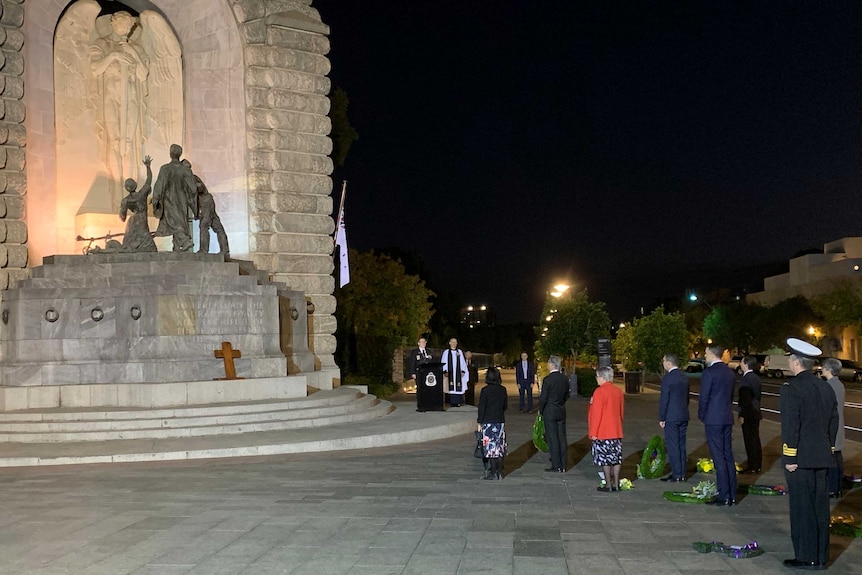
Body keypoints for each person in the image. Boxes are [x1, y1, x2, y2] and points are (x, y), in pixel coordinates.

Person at [780, 338, 838, 570]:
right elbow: (834, 422)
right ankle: (821, 556)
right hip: (822, 456)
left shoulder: (792, 388)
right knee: (820, 509)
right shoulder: (826, 387)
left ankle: (806, 556)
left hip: (801, 459)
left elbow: (791, 425)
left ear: (796, 362)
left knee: (802, 508)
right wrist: (829, 449)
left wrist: (790, 457)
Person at [88, 10, 148, 207]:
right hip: (111, 98)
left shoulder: (136, 48)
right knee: (115, 142)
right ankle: (116, 196)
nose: (125, 30)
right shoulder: (103, 44)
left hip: (130, 98)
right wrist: (113, 55)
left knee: (129, 143)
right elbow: (95, 68)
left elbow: (142, 74)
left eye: (129, 27)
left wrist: (132, 53)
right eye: (121, 25)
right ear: (113, 24)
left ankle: (130, 194)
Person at [698, 344, 737, 506]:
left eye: (706, 353)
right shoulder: (730, 373)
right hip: (726, 417)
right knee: (728, 455)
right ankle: (732, 493)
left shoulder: (709, 373)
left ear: (713, 354)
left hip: (713, 419)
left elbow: (704, 398)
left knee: (718, 457)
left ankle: (724, 495)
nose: (705, 356)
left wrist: (702, 415)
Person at [152, 144, 196, 251]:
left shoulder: (165, 169)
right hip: (182, 201)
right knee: (179, 221)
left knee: (174, 223)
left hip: (169, 200)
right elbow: (193, 188)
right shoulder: (185, 170)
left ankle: (185, 241)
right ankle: (176, 248)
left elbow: (159, 185)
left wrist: (155, 198)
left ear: (170, 154)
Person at [589, 366, 624, 492]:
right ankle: (616, 484)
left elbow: (596, 414)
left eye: (597, 377)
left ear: (602, 378)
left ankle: (608, 484)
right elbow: (621, 411)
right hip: (616, 429)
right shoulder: (618, 391)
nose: (596, 379)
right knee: (616, 458)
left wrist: (593, 432)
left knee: (605, 459)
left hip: (603, 431)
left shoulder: (599, 392)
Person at [658, 353, 689, 482]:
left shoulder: (667, 378)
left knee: (673, 446)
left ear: (669, 363)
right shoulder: (684, 377)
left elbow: (664, 399)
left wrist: (662, 417)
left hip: (671, 416)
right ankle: (682, 473)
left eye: (664, 361)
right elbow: (686, 397)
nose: (663, 363)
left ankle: (676, 474)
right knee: (681, 445)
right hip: (683, 415)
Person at [118, 155, 156, 252]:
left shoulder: (126, 200)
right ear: (135, 185)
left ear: (126, 188)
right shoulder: (142, 194)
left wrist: (122, 210)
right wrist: (148, 166)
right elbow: (149, 179)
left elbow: (122, 218)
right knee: (147, 242)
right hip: (142, 218)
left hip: (134, 221)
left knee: (131, 242)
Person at [477, 366, 508, 480]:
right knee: (499, 448)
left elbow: (482, 408)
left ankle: (492, 472)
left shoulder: (485, 390)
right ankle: (500, 472)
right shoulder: (502, 389)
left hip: (488, 422)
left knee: (491, 448)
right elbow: (505, 406)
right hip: (499, 421)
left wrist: (479, 422)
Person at [821, 358, 846, 499]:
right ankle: (837, 488)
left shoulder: (829, 386)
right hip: (838, 427)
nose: (822, 368)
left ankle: (832, 488)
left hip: (832, 427)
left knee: (831, 460)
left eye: (824, 367)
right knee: (837, 457)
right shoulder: (839, 384)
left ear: (829, 369)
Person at [539, 355, 569, 472]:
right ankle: (563, 464)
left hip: (550, 411)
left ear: (551, 365)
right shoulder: (564, 378)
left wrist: (541, 410)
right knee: (562, 437)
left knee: (552, 438)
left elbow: (543, 398)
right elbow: (567, 395)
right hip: (561, 410)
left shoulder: (548, 380)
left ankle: (556, 465)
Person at [737, 355, 763, 474]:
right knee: (755, 439)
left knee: (749, 440)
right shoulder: (756, 378)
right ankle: (757, 464)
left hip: (749, 413)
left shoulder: (746, 379)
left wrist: (742, 415)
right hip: (756, 411)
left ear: (746, 364)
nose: (740, 364)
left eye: (742, 362)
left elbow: (745, 399)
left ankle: (752, 464)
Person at [194, 172, 230, 256]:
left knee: (204, 225)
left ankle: (204, 249)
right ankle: (225, 249)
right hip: (206, 200)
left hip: (205, 200)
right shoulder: (190, 177)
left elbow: (199, 187)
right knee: (218, 227)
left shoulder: (192, 178)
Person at [440, 338, 469, 407]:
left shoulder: (459, 352)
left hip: (458, 373)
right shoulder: (446, 352)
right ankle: (451, 402)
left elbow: (462, 362)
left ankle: (458, 402)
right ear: (449, 343)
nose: (454, 343)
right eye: (452, 342)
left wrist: (463, 371)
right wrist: (445, 371)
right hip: (450, 373)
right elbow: (443, 362)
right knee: (451, 387)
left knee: (458, 386)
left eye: (455, 342)